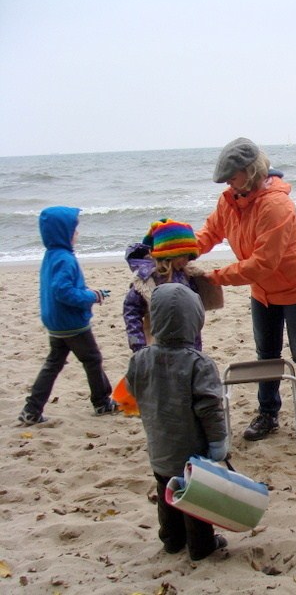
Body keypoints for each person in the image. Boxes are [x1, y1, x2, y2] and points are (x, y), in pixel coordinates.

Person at [195, 137, 296, 445]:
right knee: (266, 353)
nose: (229, 182)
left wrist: (213, 278)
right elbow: (210, 232)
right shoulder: (229, 199)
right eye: (226, 178)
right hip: (263, 292)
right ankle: (268, 414)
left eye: (233, 174)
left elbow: (262, 263)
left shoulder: (276, 204)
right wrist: (183, 249)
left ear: (251, 170)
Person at [126, 283, 229, 561]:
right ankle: (201, 546)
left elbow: (133, 390)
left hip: (159, 445)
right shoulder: (199, 364)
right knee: (196, 498)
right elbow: (210, 408)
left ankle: (171, 540)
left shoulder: (140, 359)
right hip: (191, 451)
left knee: (166, 492)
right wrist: (218, 442)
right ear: (195, 320)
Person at [18, 206, 117, 425]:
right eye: (74, 230)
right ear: (62, 232)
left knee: (53, 363)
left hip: (56, 322)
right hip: (71, 323)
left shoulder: (52, 255)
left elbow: (59, 288)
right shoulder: (64, 259)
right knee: (92, 359)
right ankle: (101, 402)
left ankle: (31, 410)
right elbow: (63, 292)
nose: (77, 234)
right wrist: (91, 296)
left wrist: (90, 293)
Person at [123, 219, 205, 352]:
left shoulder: (186, 274)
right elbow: (131, 311)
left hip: (189, 341)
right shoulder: (147, 280)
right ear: (168, 255)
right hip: (157, 343)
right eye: (182, 256)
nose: (186, 260)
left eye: (189, 256)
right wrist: (138, 345)